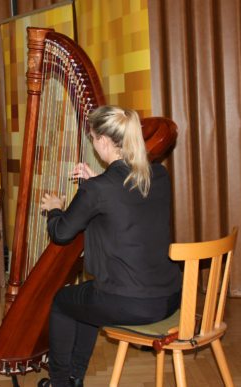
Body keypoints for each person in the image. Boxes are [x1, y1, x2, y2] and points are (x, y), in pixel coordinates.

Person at [38, 105, 182, 387]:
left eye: (93, 139)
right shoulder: (159, 176)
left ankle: (60, 382)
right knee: (87, 299)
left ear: (104, 140)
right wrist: (95, 183)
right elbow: (127, 205)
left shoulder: (100, 189)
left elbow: (62, 233)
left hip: (132, 304)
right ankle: (75, 375)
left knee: (61, 302)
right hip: (170, 297)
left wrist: (55, 209)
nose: (94, 145)